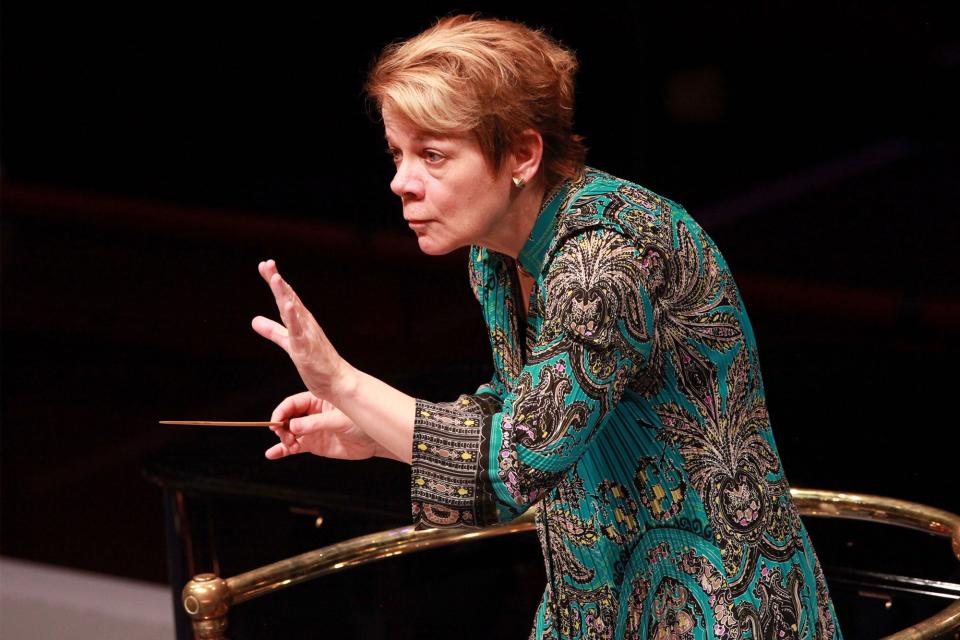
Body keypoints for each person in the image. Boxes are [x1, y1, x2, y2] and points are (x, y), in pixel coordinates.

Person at [251, 14, 843, 640]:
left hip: (722, 606)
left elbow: (515, 467)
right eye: (398, 153)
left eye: (433, 155)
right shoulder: (494, 252)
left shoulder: (604, 259)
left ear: (523, 155)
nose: (401, 181)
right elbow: (527, 408)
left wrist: (344, 383)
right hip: (595, 593)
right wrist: (372, 431)